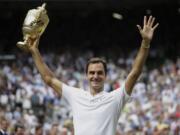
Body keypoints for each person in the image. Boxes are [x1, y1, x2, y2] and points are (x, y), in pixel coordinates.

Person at [18, 16, 159, 135]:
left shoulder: (115, 98)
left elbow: (135, 73)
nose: (95, 76)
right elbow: (49, 79)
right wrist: (34, 51)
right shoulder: (76, 95)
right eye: (92, 73)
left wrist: (145, 43)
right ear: (86, 75)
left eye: (99, 73)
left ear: (105, 76)